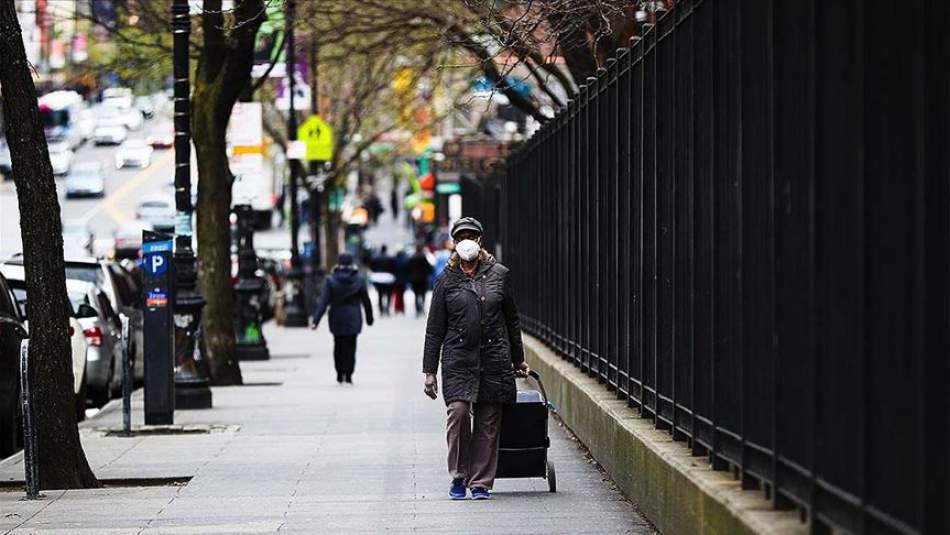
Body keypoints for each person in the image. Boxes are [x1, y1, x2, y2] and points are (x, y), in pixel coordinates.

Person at [422, 217, 530, 500]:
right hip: (458, 359)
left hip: (494, 358)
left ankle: (480, 482)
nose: (466, 240)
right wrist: (429, 370)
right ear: (454, 243)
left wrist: (518, 360)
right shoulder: (445, 281)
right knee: (458, 413)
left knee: (488, 421)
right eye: (461, 236)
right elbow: (435, 329)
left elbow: (512, 320)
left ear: (480, 240)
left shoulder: (499, 274)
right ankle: (458, 475)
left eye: (471, 235)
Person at [311, 253, 374, 385]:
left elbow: (324, 302)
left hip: (336, 316)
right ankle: (349, 374)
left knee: (338, 344)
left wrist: (316, 321)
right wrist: (369, 318)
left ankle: (340, 373)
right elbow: (366, 301)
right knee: (351, 345)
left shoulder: (330, 280)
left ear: (338, 264)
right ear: (351, 264)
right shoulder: (359, 279)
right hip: (353, 316)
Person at [368, 245, 396, 315]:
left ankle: (381, 310)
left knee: (380, 295)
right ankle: (387, 309)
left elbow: (371, 267)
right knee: (389, 294)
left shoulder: (375, 258)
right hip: (388, 278)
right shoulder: (390, 258)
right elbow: (393, 267)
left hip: (378, 278)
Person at [407, 243, 433, 316]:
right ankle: (422, 308)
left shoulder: (411, 257)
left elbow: (408, 268)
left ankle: (417, 309)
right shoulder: (423, 257)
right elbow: (428, 268)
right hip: (423, 278)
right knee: (423, 294)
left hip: (414, 279)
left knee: (416, 294)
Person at [392, 249, 409, 315]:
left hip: (396, 280)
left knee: (397, 295)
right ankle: (402, 308)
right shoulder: (405, 261)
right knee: (402, 295)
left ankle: (397, 308)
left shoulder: (395, 261)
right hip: (403, 280)